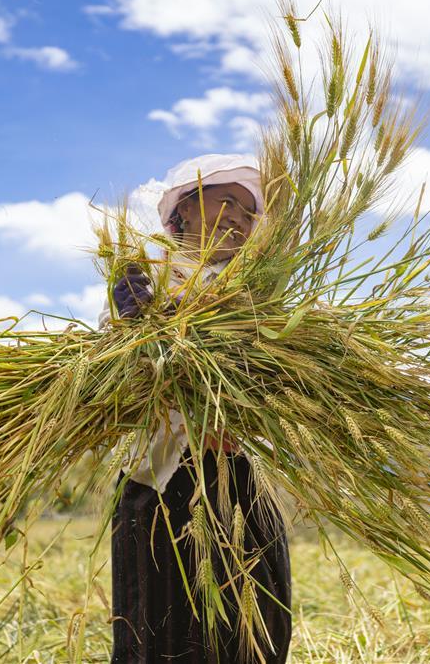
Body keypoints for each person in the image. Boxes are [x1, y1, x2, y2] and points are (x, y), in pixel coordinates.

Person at [98, 154, 292, 663]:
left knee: (254, 631)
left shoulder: (260, 294)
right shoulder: (147, 274)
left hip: (244, 478)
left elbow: (281, 379)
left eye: (249, 213)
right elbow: (108, 373)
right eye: (225, 200)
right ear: (182, 209)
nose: (237, 217)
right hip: (162, 481)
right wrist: (136, 327)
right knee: (161, 632)